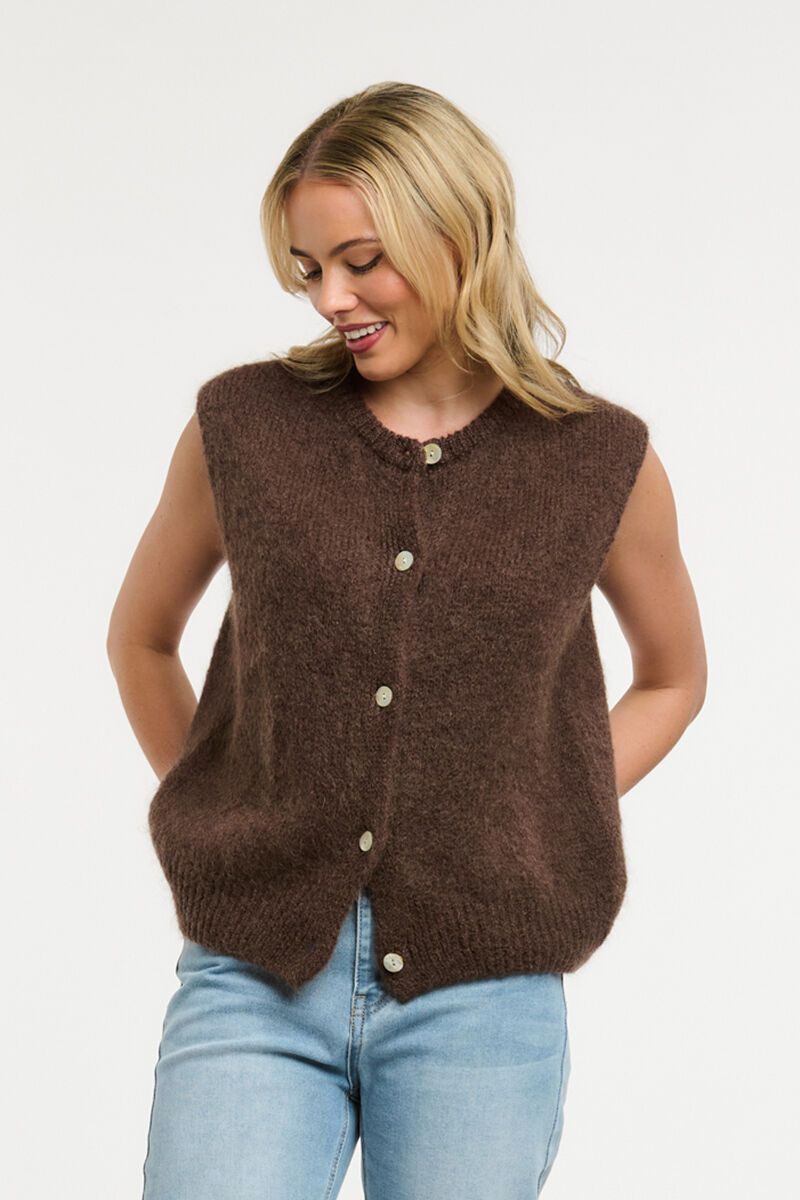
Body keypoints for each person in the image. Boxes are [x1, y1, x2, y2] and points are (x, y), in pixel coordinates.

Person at [107, 81, 707, 1199]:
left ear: (459, 235)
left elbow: (672, 678)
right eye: (307, 267)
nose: (329, 297)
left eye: (361, 260)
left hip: (482, 992)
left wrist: (537, 799)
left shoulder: (598, 460)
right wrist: (234, 792)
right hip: (254, 974)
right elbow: (141, 640)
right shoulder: (243, 426)